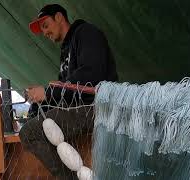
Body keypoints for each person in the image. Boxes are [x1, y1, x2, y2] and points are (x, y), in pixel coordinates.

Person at [19, 4, 118, 179]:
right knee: (33, 124)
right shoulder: (66, 50)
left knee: (30, 133)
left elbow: (92, 75)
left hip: (99, 107)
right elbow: (65, 91)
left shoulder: (87, 33)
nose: (45, 33)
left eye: (46, 25)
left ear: (59, 17)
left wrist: (49, 92)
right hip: (81, 109)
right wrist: (41, 101)